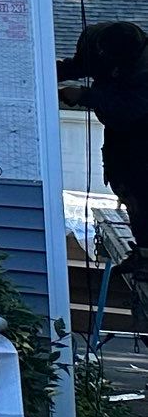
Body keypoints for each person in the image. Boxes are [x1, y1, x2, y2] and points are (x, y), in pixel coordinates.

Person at [60, 18, 148, 331]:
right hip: (119, 136)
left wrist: (83, 96)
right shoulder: (96, 40)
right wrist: (49, 71)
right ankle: (141, 251)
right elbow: (79, 65)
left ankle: (145, 256)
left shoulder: (144, 65)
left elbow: (134, 107)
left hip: (141, 133)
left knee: (141, 191)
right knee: (123, 184)